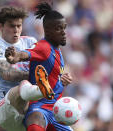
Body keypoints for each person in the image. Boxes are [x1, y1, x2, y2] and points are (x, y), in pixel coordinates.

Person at [5, 2, 73, 131]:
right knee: (36, 122)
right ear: (48, 31)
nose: (64, 32)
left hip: (55, 110)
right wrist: (16, 57)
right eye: (59, 29)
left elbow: (52, 76)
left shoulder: (57, 51)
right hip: (39, 108)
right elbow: (27, 54)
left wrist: (62, 80)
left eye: (64, 27)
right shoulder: (44, 46)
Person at [0, 6, 55, 131]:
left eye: (19, 26)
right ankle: (40, 91)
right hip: (6, 109)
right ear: (1, 26)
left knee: (53, 119)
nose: (16, 30)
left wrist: (58, 76)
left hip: (30, 109)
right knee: (23, 86)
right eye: (12, 26)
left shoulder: (30, 42)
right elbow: (7, 74)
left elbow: (45, 68)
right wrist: (36, 75)